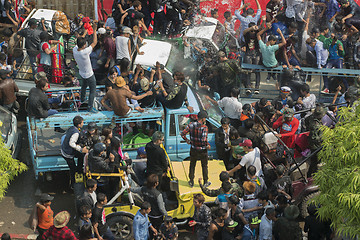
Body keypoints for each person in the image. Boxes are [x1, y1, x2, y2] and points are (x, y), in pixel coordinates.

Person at [73, 20, 98, 113]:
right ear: (84, 46)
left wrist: (86, 31)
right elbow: (94, 43)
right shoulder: (85, 52)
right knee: (92, 90)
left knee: (83, 86)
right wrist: (94, 30)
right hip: (89, 74)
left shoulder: (75, 50)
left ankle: (82, 99)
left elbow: (80, 40)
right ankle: (90, 107)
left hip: (82, 73)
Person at [181, 111, 211, 188]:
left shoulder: (190, 125)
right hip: (202, 150)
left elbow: (183, 134)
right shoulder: (204, 128)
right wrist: (207, 145)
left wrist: (187, 140)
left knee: (192, 165)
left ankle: (191, 181)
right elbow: (204, 140)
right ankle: (205, 181)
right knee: (204, 166)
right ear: (203, 118)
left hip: (193, 148)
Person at [61, 116, 89, 187]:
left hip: (66, 149)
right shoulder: (76, 133)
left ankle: (79, 169)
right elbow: (71, 143)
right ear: (79, 124)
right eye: (82, 122)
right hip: (68, 153)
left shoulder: (72, 128)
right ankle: (73, 184)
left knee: (81, 156)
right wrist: (81, 149)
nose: (83, 123)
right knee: (72, 169)